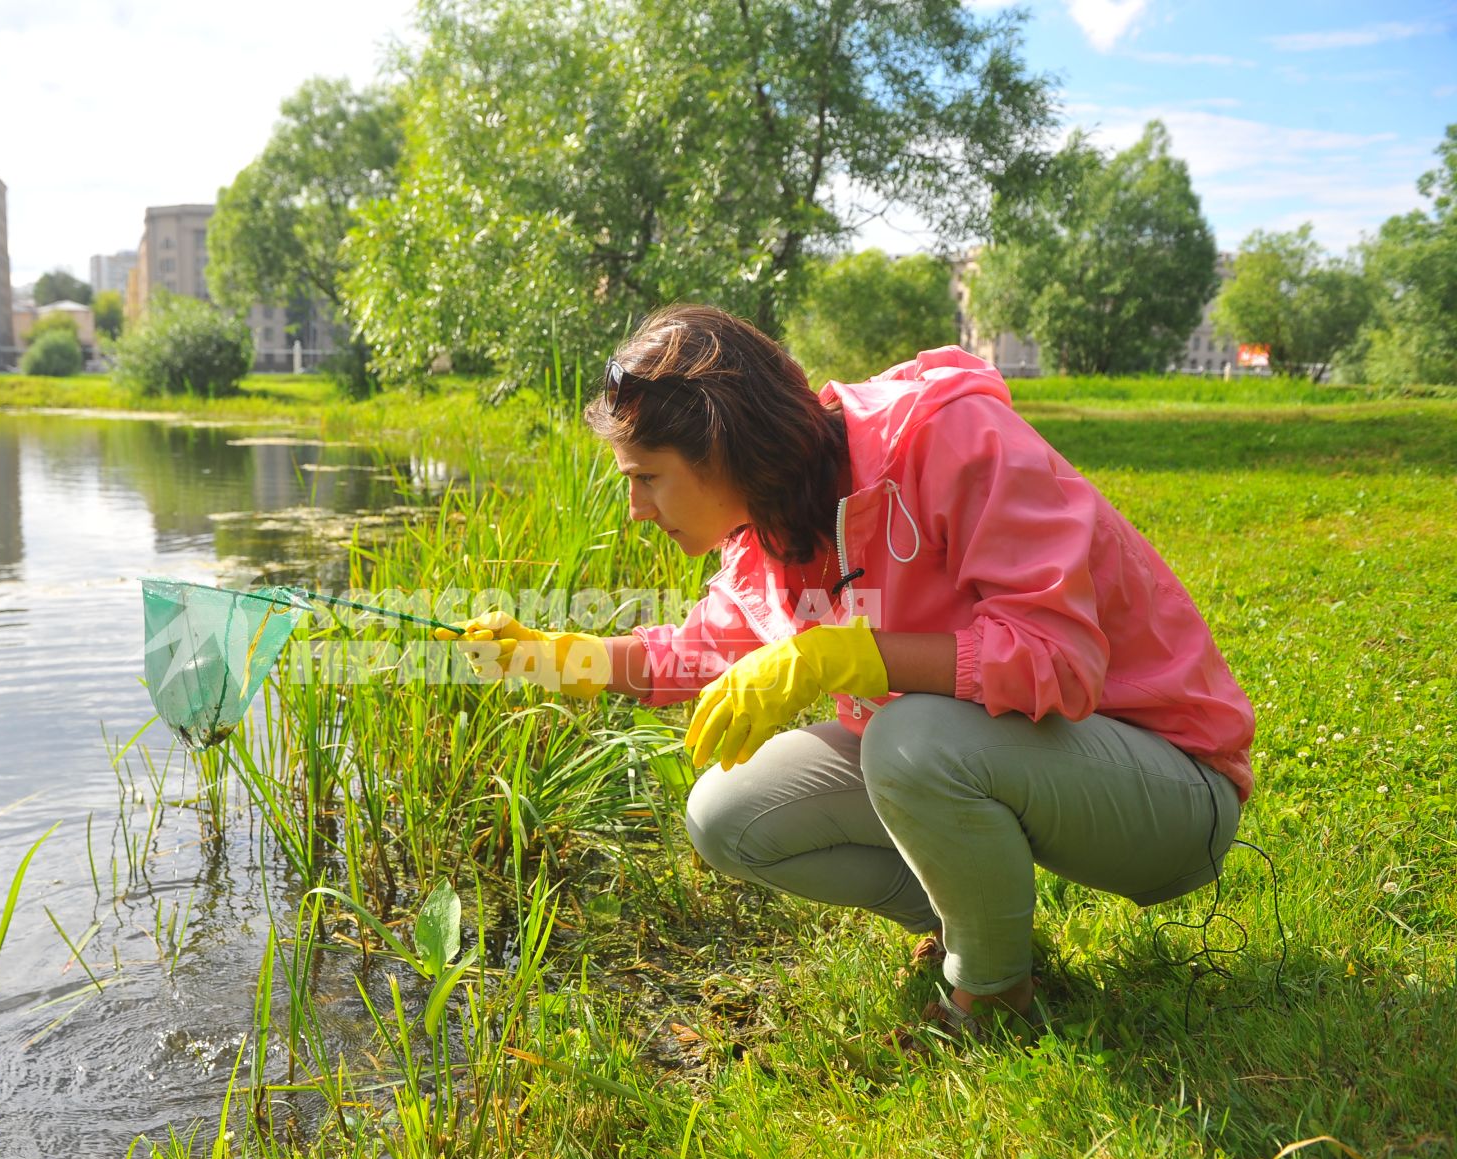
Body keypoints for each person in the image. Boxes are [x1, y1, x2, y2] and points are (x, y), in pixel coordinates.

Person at [440, 304, 1255, 1036]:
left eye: (647, 478)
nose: (636, 509)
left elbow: (1059, 663)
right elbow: (696, 649)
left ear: (722, 445)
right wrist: (553, 656)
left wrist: (847, 653)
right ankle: (984, 929)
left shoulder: (948, 438)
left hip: (1172, 791)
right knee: (727, 810)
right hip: (1008, 763)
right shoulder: (767, 525)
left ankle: (992, 996)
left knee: (906, 737)